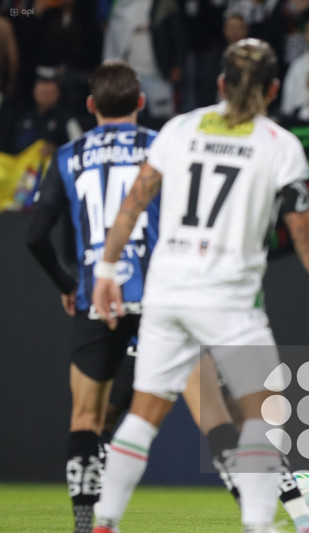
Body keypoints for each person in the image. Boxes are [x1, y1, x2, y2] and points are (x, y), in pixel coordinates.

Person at [91, 39, 309, 533]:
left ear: (219, 84)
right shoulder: (280, 144)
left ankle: (105, 521)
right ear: (275, 89)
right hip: (228, 298)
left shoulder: (179, 128)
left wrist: (106, 272)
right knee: (258, 416)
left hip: (166, 293)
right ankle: (259, 525)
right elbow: (305, 232)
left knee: (143, 414)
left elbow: (132, 203)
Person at [24, 60, 156, 533]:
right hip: (159, 300)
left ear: (89, 105)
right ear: (141, 103)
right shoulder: (163, 148)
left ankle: (86, 521)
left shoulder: (66, 155)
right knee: (208, 405)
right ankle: (262, 513)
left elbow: (35, 236)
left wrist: (68, 286)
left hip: (97, 300)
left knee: (86, 416)